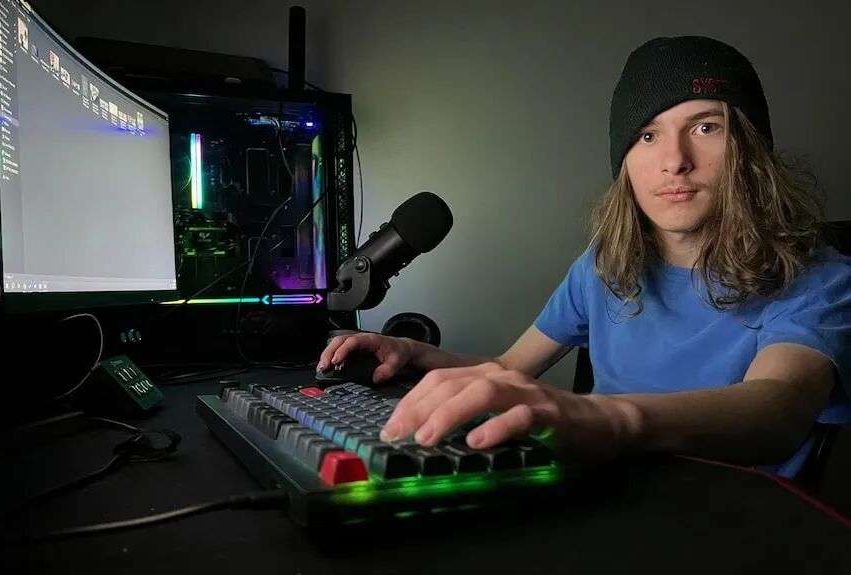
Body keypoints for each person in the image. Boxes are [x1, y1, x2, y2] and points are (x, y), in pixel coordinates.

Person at [317, 36, 851, 478]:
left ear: (751, 150)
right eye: (647, 135)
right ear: (625, 162)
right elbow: (507, 369)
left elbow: (779, 405)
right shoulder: (604, 264)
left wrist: (609, 420)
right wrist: (412, 353)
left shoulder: (820, 275)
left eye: (706, 127)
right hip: (603, 496)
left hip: (732, 520)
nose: (674, 161)